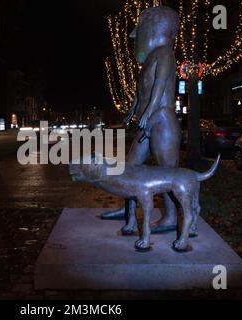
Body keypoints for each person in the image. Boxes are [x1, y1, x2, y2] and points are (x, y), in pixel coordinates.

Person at [102, 6, 182, 236]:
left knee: (168, 174)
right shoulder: (148, 60)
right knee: (129, 168)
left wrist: (148, 110)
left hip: (162, 121)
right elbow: (142, 90)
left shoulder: (165, 53)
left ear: (156, 28)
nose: (134, 36)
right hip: (147, 120)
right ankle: (128, 211)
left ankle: (170, 217)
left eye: (140, 28)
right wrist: (135, 108)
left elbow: (159, 84)